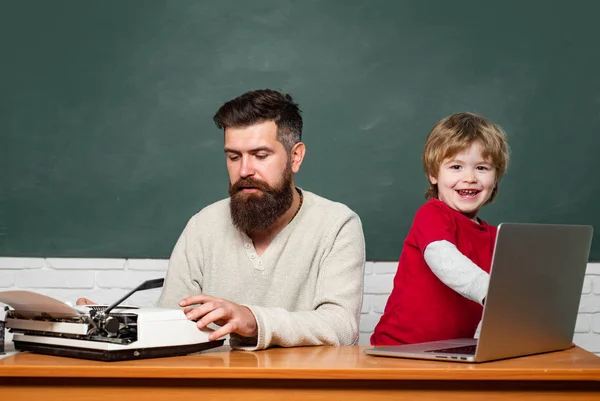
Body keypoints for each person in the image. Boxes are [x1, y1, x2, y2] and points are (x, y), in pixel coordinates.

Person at [153, 89, 365, 350]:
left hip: (301, 388)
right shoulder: (202, 225)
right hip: (213, 386)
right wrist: (104, 322)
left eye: (261, 156)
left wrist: (254, 321)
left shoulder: (337, 224)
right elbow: (170, 320)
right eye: (233, 157)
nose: (244, 170)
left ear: (295, 157)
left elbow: (341, 326)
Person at [371, 112, 510, 345]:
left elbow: (516, 290)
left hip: (451, 353)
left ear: (495, 178)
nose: (469, 178)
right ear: (433, 174)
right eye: (456, 166)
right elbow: (445, 260)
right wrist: (493, 293)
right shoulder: (432, 215)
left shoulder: (497, 238)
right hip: (398, 350)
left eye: (482, 168)